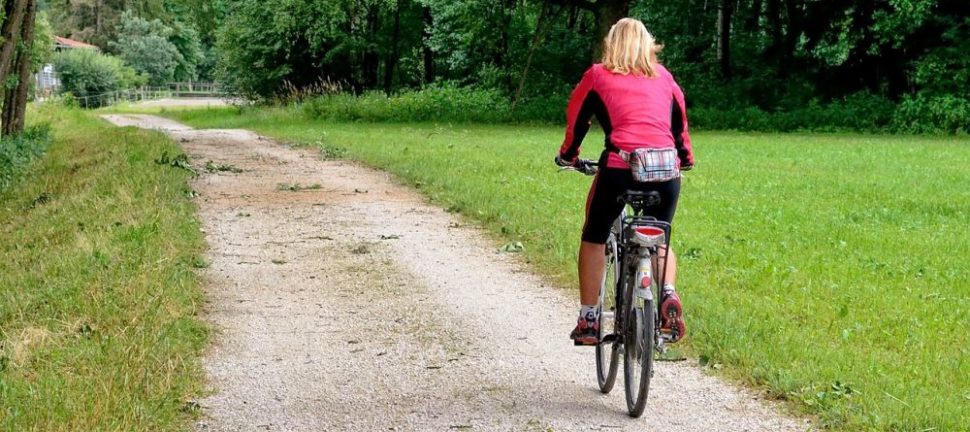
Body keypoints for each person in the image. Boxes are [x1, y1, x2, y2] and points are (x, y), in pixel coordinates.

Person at [555, 18, 694, 345]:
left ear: (611, 44)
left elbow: (577, 120)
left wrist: (569, 156)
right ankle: (668, 294)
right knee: (659, 237)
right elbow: (680, 127)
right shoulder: (666, 79)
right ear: (649, 45)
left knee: (594, 235)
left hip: (619, 169)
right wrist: (684, 160)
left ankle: (589, 319)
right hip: (665, 172)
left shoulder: (597, 75)